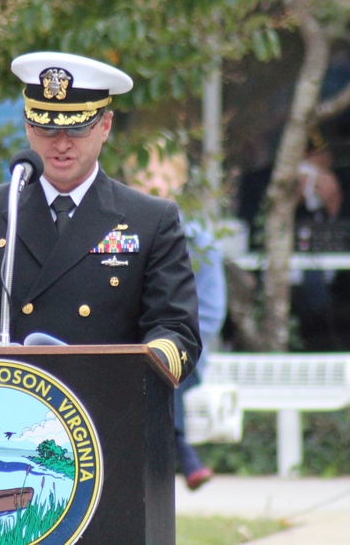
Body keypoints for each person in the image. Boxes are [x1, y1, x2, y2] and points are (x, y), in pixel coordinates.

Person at [0, 51, 200, 385]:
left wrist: (140, 372)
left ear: (105, 125)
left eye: (76, 130)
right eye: (46, 129)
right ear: (27, 126)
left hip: (106, 407)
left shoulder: (150, 220)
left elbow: (176, 328)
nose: (61, 145)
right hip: (4, 402)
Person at [128, 146, 226, 491]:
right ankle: (185, 455)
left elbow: (212, 312)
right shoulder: (118, 234)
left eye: (163, 178)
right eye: (145, 177)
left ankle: (181, 454)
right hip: (127, 353)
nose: (154, 185)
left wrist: (175, 339)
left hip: (186, 358)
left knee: (163, 370)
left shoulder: (198, 241)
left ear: (180, 182)